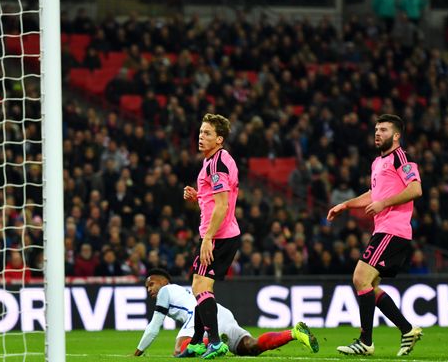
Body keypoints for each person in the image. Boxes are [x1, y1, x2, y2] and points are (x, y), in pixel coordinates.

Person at [327, 114, 423, 356]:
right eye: (376, 129)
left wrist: (384, 203)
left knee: (360, 277)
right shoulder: (377, 162)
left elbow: (416, 188)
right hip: (383, 229)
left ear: (396, 135)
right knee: (370, 285)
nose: (378, 133)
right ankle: (407, 329)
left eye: (384, 129)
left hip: (394, 229)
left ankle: (365, 341)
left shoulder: (402, 157)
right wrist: (346, 205)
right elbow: (373, 194)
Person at [133, 269, 318, 356]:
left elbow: (155, 325)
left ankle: (213, 342)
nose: (149, 289)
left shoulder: (166, 291)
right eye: (146, 287)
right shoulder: (182, 292)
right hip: (220, 312)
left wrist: (137, 353)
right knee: (251, 346)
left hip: (200, 316)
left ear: (165, 282)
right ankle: (294, 333)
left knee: (181, 350)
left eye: (152, 284)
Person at [179, 114, 241, 359]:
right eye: (200, 132)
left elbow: (223, 206)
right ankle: (196, 342)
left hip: (218, 236)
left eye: (207, 133)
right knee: (199, 286)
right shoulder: (213, 161)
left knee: (201, 286)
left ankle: (214, 342)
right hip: (217, 234)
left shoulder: (217, 164)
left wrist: (208, 239)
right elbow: (215, 201)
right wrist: (198, 197)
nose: (201, 137)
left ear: (219, 139)